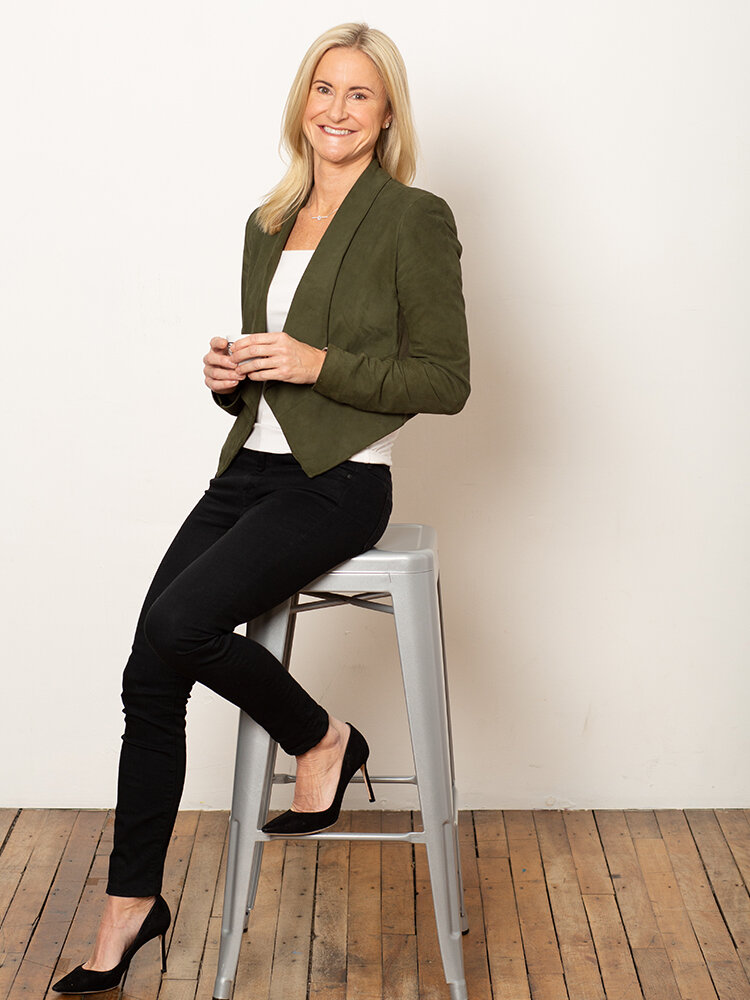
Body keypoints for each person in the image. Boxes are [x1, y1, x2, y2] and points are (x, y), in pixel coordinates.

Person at [52, 21, 470, 996]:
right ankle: (131, 903)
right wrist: (226, 377)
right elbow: (267, 377)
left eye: (359, 94)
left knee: (178, 623)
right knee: (149, 669)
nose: (336, 108)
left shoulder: (413, 217)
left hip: (341, 482)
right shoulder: (268, 220)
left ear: (388, 113)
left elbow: (445, 379)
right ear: (302, 101)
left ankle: (320, 736)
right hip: (251, 469)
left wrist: (320, 364)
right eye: (324, 88)